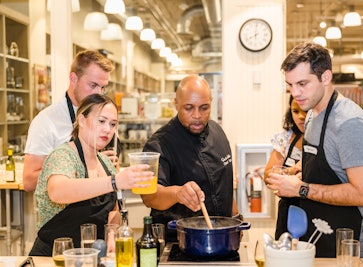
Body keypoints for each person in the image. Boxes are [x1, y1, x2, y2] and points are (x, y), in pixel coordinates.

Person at [265, 42, 363, 258]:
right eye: (290, 85)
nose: (295, 93)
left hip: (344, 245)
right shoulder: (311, 114)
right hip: (314, 238)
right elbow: (326, 166)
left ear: (325, 77)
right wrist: (294, 173)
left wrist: (300, 189)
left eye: (302, 83)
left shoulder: (350, 123)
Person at [29, 94, 153, 256]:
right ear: (81, 120)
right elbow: (57, 191)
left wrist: (111, 234)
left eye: (113, 124)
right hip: (53, 257)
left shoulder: (106, 162)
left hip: (90, 257)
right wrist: (115, 181)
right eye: (101, 121)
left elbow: (113, 210)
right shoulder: (63, 155)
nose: (108, 129)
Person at [140, 74, 239, 242]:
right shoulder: (159, 143)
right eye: (188, 108)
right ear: (176, 104)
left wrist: (237, 220)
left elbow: (225, 185)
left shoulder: (218, 131)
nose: (197, 115)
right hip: (179, 241)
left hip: (223, 238)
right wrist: (177, 193)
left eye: (204, 107)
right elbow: (149, 197)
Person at [23, 50, 118, 192]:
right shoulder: (45, 121)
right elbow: (29, 181)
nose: (99, 93)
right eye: (93, 85)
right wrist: (88, 164)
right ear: (73, 79)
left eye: (103, 87)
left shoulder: (106, 118)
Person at [264, 95, 306, 240]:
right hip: (288, 211)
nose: (301, 116)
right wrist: (292, 170)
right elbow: (268, 177)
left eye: (305, 111)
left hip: (315, 210)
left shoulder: (327, 139)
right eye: (295, 111)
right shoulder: (286, 139)